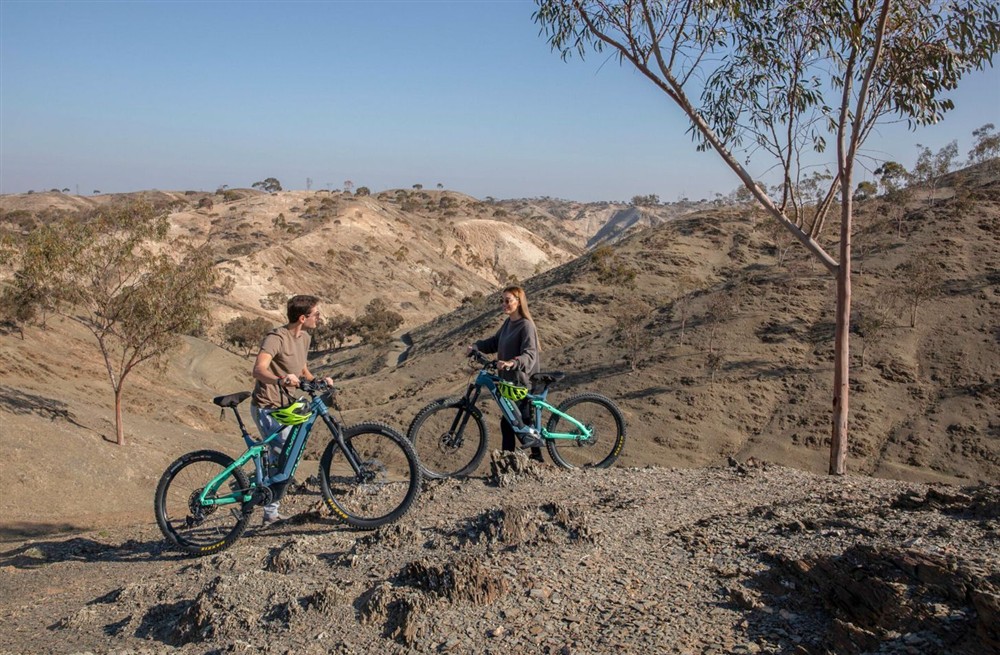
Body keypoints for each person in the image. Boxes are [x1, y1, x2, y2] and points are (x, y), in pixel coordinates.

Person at [250, 294, 333, 525]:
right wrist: (279, 380)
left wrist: (318, 380)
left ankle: (265, 494)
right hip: (267, 406)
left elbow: (301, 368)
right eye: (317, 314)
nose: (320, 318)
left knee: (288, 455)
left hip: (287, 407)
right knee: (284, 456)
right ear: (302, 317)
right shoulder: (276, 338)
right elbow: (258, 370)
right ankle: (269, 513)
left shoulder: (304, 338)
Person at [469, 285, 543, 462]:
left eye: (508, 300)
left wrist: (512, 362)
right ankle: (513, 461)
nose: (504, 304)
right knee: (512, 422)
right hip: (509, 382)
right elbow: (495, 342)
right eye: (502, 300)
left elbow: (530, 354)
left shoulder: (526, 326)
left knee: (516, 422)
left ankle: (533, 458)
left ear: (518, 302)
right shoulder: (509, 323)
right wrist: (477, 347)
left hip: (522, 381)